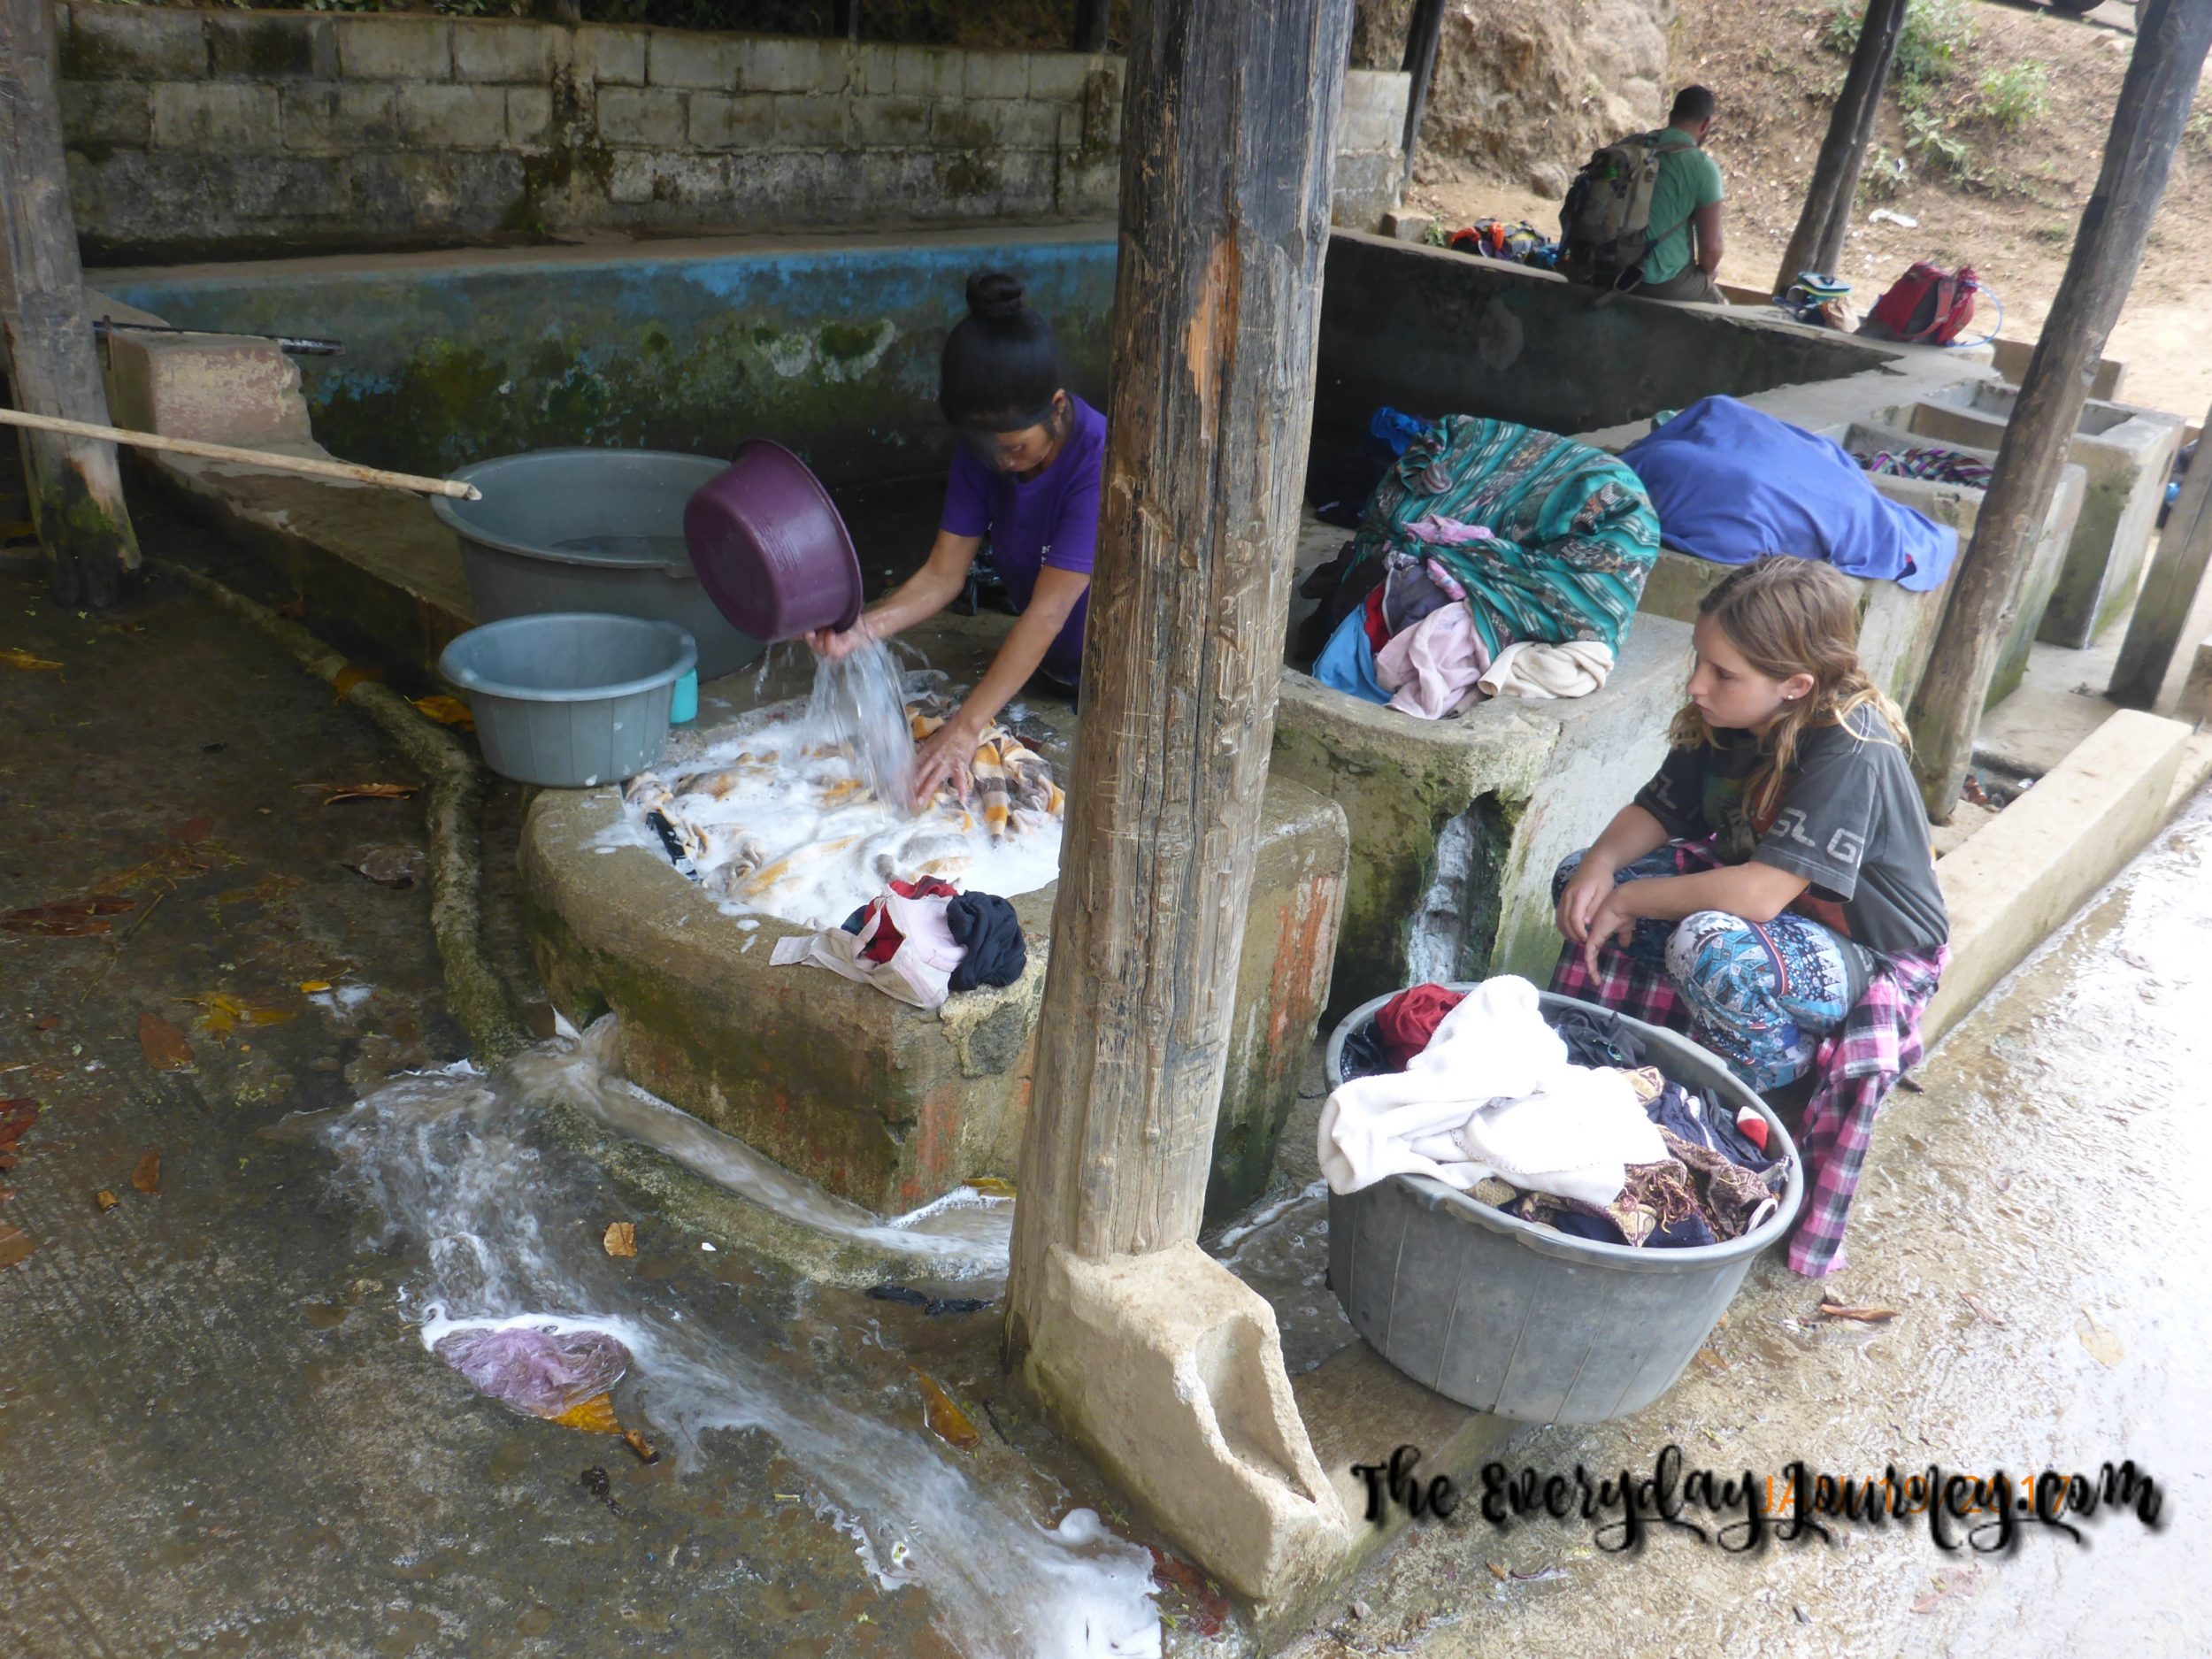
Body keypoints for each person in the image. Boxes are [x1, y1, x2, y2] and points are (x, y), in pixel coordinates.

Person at [1549, 555, 1947, 1094]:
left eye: (1723, 674)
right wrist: (1599, 868)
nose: (1696, 685)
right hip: (1777, 921)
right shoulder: (1734, 716)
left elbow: (1759, 895)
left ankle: (1773, 1087)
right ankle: (1631, 1051)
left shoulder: (1851, 748)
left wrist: (1630, 899)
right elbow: (1659, 811)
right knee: (1581, 883)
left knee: (1714, 950)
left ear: (1795, 684)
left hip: (1871, 955)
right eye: (1699, 661)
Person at [807, 270, 1104, 807]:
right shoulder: (986, 453)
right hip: (1046, 668)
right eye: (990, 449)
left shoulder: (1099, 459)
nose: (1003, 462)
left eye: (1015, 447)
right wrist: (861, 629)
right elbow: (944, 573)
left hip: (1114, 674)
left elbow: (1047, 612)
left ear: (1057, 407)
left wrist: (965, 729)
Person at [1625, 85, 1726, 304]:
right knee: (1716, 302)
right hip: (1654, 281)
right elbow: (1711, 251)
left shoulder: (1631, 145)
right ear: (1706, 124)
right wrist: (1706, 277)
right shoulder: (1702, 167)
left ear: (1671, 115)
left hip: (1602, 266)